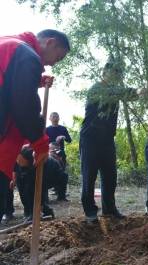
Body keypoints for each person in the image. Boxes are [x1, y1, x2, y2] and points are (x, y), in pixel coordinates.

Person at [0, 29, 70, 224]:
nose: (54, 63)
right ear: (51, 42)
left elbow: (9, 84)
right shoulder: (26, 55)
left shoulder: (10, 45)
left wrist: (36, 81)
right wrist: (40, 142)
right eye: (58, 56)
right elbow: (24, 106)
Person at [80, 60, 132, 223]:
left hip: (107, 140)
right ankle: (90, 212)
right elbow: (119, 93)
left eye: (119, 73)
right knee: (89, 176)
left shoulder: (114, 90)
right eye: (115, 72)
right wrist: (134, 91)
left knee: (110, 176)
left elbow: (123, 93)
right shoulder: (97, 89)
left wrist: (140, 92)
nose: (117, 75)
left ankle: (109, 209)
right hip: (90, 139)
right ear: (105, 71)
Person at [14, 146, 55, 221]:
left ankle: (43, 212)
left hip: (51, 174)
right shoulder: (20, 160)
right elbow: (16, 167)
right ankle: (31, 213)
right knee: (26, 191)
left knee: (32, 191)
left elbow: (40, 189)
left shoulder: (37, 162)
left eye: (20, 160)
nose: (18, 162)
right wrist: (13, 179)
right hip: (29, 171)